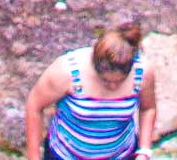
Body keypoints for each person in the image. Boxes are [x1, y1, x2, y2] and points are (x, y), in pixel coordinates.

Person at [24, 24, 157, 160]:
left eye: (119, 81)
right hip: (65, 154)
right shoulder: (66, 71)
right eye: (105, 81)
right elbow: (34, 105)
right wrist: (34, 156)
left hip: (120, 154)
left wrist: (144, 151)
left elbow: (148, 109)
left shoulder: (142, 73)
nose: (112, 87)